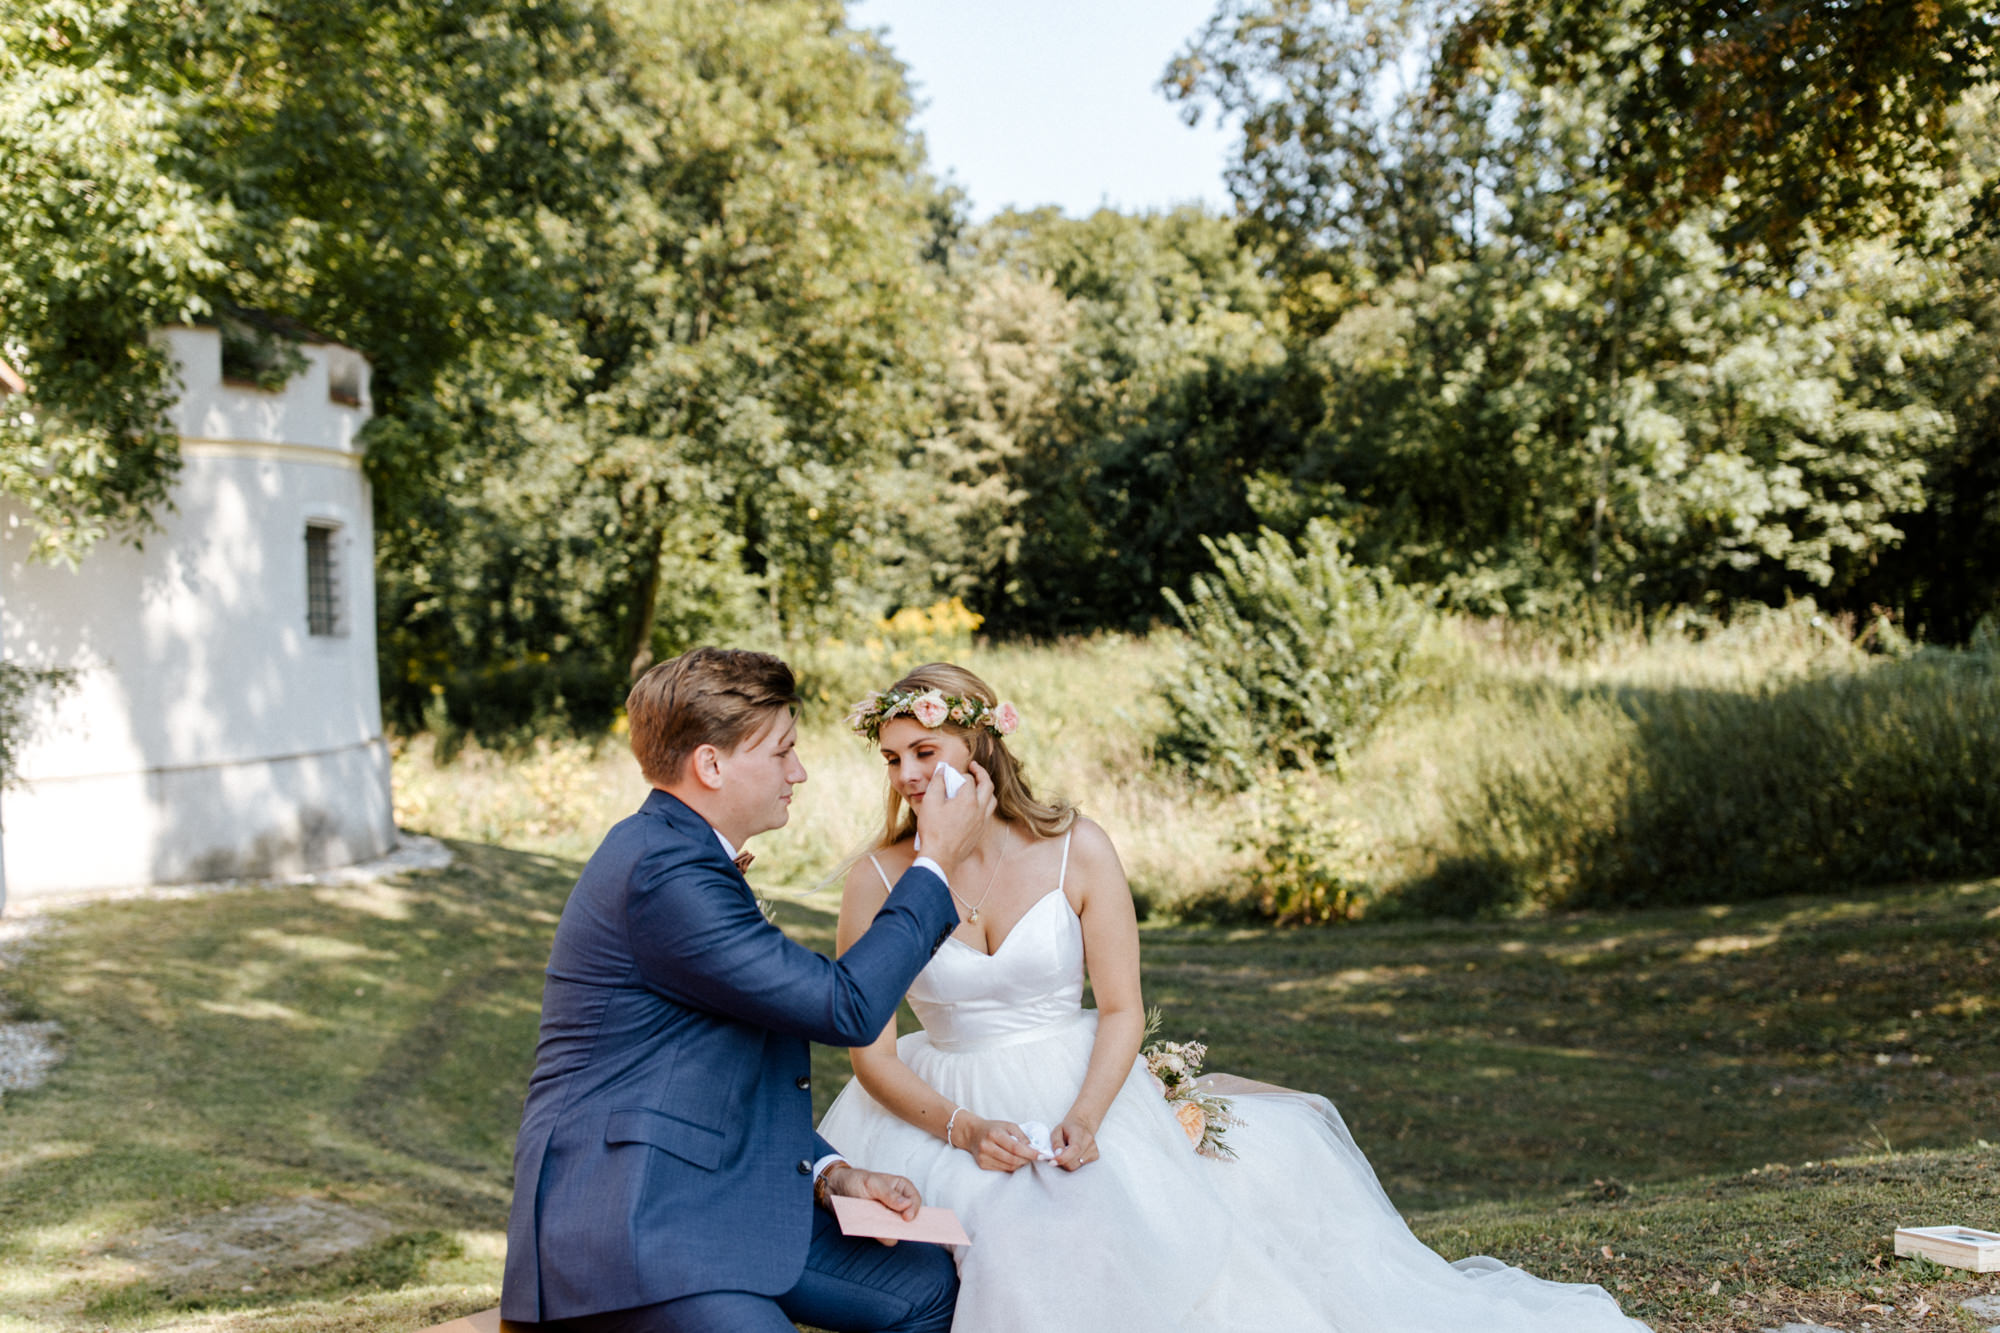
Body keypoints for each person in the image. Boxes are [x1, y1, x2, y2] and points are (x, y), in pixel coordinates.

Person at [816, 662, 1653, 1332]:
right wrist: (961, 1129)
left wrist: (1089, 1115)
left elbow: (1120, 1010)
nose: (908, 774)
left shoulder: (1079, 848)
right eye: (893, 757)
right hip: (936, 1101)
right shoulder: (877, 877)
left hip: (1077, 1083)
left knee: (1096, 1220)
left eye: (925, 751)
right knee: (1009, 1237)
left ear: (980, 746)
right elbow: (871, 1047)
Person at [501, 647, 999, 1333]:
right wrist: (935, 859)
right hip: (636, 1227)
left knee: (923, 1286)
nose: (798, 771)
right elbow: (845, 1005)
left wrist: (834, 1176)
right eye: (782, 751)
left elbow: (739, 1057)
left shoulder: (683, 853)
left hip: (720, 1198)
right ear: (710, 765)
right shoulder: (663, 871)